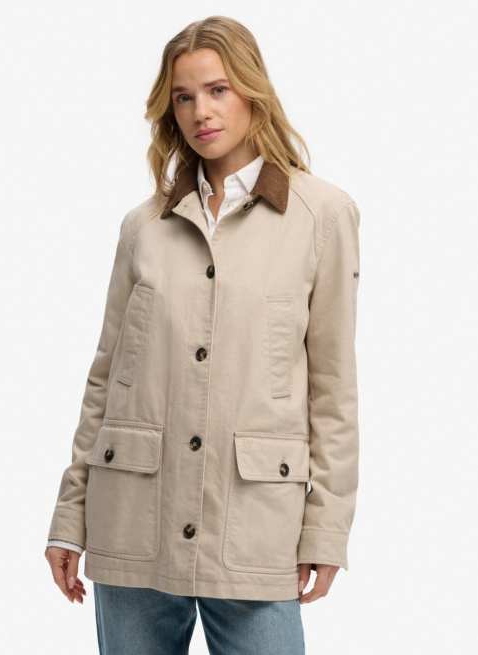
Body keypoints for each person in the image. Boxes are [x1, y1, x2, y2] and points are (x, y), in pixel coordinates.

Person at [44, 15, 361, 655]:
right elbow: (106, 378)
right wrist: (69, 516)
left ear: (252, 90)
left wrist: (326, 528)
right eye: (183, 97)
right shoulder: (144, 227)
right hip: (133, 521)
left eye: (217, 90)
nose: (200, 112)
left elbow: (333, 391)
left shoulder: (322, 216)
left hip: (254, 528)